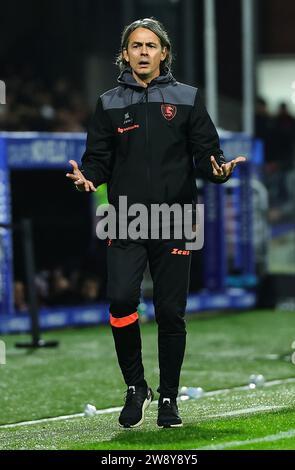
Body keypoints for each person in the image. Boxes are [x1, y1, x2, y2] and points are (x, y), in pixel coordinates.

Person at [66, 18, 245, 428]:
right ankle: (136, 387)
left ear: (164, 52)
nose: (143, 52)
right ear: (125, 54)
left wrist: (218, 171)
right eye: (135, 46)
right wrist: (87, 178)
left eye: (150, 45)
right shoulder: (107, 103)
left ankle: (168, 397)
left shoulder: (188, 97)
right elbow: (97, 159)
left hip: (176, 218)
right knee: (122, 301)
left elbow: (207, 153)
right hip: (125, 218)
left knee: (170, 311)